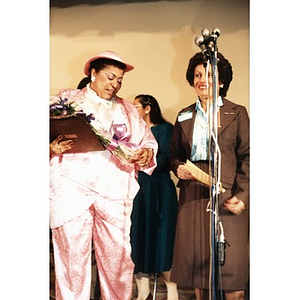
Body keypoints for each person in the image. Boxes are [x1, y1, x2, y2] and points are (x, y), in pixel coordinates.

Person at [49, 50, 158, 300]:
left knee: (118, 262)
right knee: (71, 264)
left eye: (120, 80)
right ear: (93, 73)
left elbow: (149, 143)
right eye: (110, 77)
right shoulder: (66, 101)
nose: (115, 84)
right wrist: (50, 148)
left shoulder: (129, 111)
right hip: (72, 192)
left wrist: (145, 154)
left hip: (113, 193)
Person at [169, 51, 249, 300]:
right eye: (198, 74)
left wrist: (244, 196)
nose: (203, 79)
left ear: (222, 81)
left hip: (228, 196)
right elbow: (173, 154)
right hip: (193, 196)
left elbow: (249, 156)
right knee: (198, 270)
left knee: (231, 270)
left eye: (210, 74)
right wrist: (178, 167)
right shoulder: (184, 115)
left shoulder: (236, 112)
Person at [130, 94, 179, 300]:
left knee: (162, 239)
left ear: (148, 108)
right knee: (138, 238)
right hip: (138, 191)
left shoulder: (165, 129)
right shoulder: (134, 132)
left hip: (159, 190)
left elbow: (167, 158)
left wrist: (145, 160)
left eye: (136, 106)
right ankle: (142, 293)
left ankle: (172, 293)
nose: (133, 110)